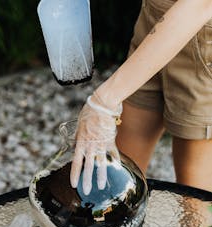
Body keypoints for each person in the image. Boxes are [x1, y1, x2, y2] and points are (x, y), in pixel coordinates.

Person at [70, 0, 212, 195]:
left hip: (202, 31)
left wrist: (104, 101)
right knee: (115, 183)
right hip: (154, 20)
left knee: (194, 204)